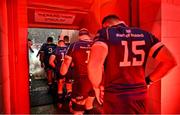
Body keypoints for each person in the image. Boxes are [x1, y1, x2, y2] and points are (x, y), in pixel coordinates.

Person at [87, 15, 177, 114]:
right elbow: (170, 62)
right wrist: (148, 81)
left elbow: (94, 64)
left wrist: (96, 87)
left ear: (106, 25)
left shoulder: (106, 33)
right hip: (140, 97)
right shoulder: (146, 35)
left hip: (116, 97)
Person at [60, 28, 95, 114]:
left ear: (79, 36)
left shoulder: (75, 45)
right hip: (96, 79)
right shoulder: (96, 44)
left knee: (78, 110)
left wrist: (62, 73)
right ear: (88, 35)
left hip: (82, 80)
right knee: (89, 105)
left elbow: (66, 63)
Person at [49, 39, 69, 108]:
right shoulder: (68, 49)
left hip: (60, 70)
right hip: (68, 70)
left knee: (60, 85)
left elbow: (50, 62)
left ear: (58, 44)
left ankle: (60, 103)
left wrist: (56, 68)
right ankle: (69, 103)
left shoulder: (56, 50)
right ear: (64, 44)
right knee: (69, 85)